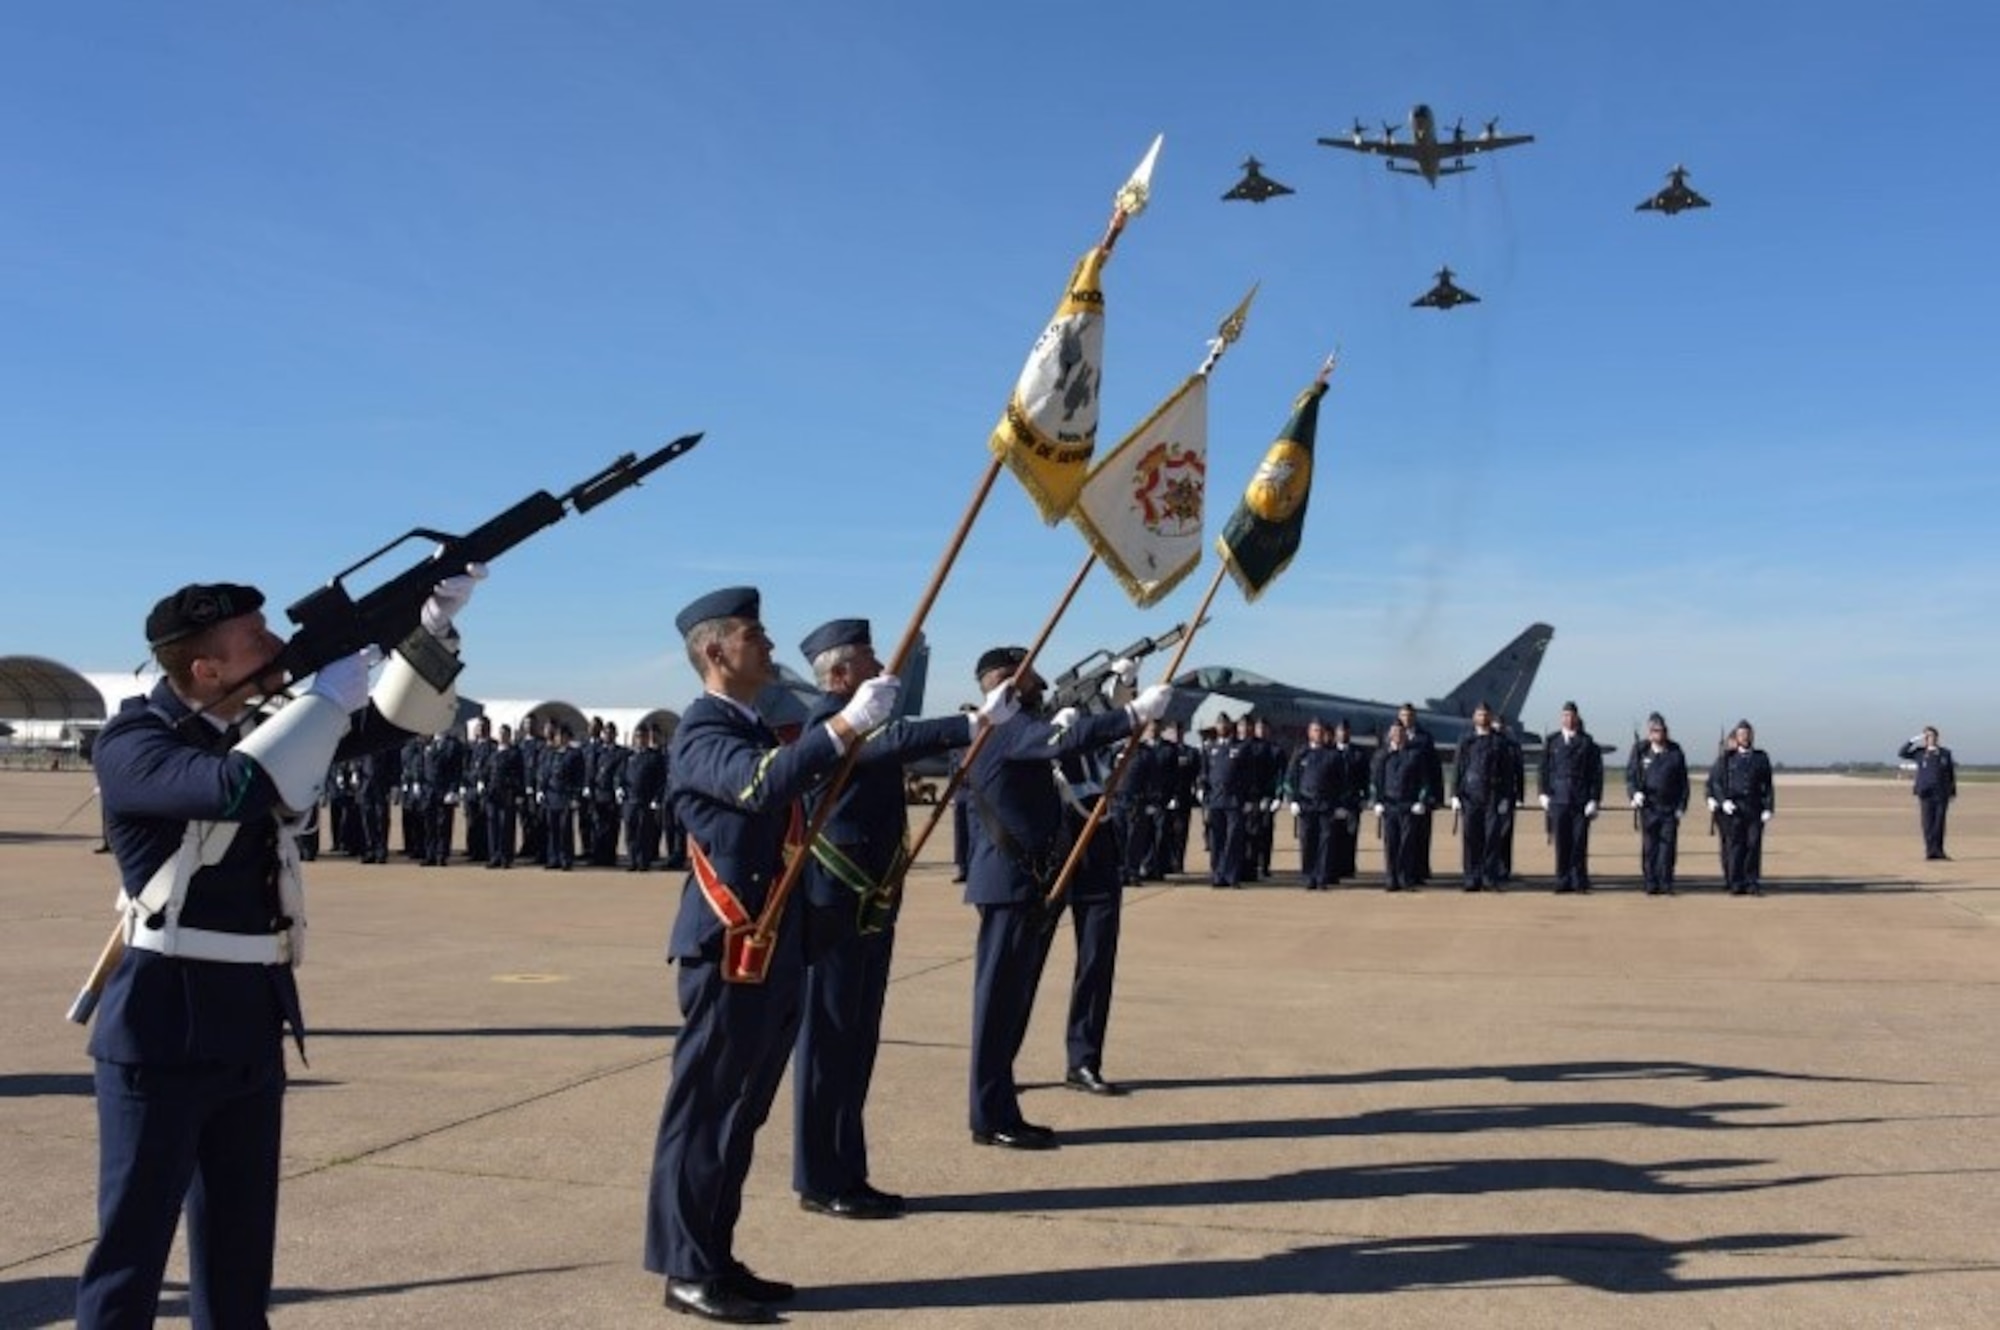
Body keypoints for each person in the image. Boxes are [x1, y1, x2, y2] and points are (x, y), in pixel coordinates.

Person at [76, 571, 480, 1327]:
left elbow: (400, 724)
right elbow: (234, 789)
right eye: (255, 639)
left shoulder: (263, 720)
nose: (276, 647)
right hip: (162, 1026)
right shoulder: (133, 742)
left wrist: (429, 633)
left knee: (238, 1254)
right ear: (206, 668)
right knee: (130, 1256)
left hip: (250, 1020)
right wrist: (325, 700)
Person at [642, 587, 900, 1324]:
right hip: (726, 951)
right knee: (705, 1115)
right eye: (754, 634)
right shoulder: (703, 731)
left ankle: (716, 1257)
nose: (768, 642)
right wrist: (844, 723)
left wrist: (850, 735)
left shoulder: (751, 726)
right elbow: (759, 789)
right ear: (716, 651)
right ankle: (686, 1268)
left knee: (738, 1116)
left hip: (767, 948)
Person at [790, 618, 997, 1221]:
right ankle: (819, 1177)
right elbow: (887, 742)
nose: (883, 667)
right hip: (835, 905)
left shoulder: (859, 720)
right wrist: (970, 721)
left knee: (857, 1043)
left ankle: (847, 1170)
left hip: (869, 902)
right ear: (840, 672)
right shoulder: (827, 722)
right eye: (869, 658)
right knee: (829, 1044)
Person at [960, 645, 1172, 1149]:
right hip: (1032, 866)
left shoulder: (1039, 720)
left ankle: (1075, 1062)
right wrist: (1131, 711)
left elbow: (1088, 743)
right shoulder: (1009, 726)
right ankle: (993, 1095)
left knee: (1087, 961)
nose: (1042, 687)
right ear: (1009, 682)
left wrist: (1120, 696)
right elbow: (1061, 738)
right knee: (1008, 989)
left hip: (1081, 843)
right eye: (1032, 679)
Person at [1539, 701, 1603, 894]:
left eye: (1571, 715)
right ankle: (1562, 879)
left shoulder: (1587, 742)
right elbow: (1544, 770)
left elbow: (1596, 774)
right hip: (1558, 799)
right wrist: (1542, 793)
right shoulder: (1552, 741)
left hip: (1580, 799)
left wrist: (1594, 799)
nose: (1568, 719)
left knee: (1579, 842)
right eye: (1565, 715)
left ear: (1577, 718)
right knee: (1562, 842)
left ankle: (1579, 880)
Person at [1707, 719, 1776, 896]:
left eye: (1747, 734)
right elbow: (1715, 783)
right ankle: (1736, 882)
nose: (1744, 737)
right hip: (1735, 809)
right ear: (1736, 737)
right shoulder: (1727, 759)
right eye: (1741, 734)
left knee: (1753, 845)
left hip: (1754, 808)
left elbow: (1767, 784)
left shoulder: (1761, 757)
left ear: (1751, 736)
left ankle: (1751, 881)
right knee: (1736, 846)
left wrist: (1768, 807)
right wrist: (1723, 801)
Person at [1626, 713, 1690, 895]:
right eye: (1654, 731)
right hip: (1649, 807)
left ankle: (1666, 882)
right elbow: (1631, 776)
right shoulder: (1641, 751)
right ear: (1649, 732)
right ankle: (1650, 882)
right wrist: (1634, 794)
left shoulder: (1675, 751)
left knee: (1668, 848)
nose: (1657, 734)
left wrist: (1681, 806)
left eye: (1660, 730)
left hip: (1669, 807)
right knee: (1650, 847)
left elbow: (1683, 782)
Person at [1449, 703, 1508, 891]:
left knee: (1492, 837)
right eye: (1479, 714)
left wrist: (1506, 797)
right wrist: (1455, 794)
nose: (1482, 718)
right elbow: (1458, 767)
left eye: (1485, 715)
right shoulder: (1466, 740)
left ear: (1490, 717)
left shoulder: (1499, 741)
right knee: (1471, 838)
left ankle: (1489, 877)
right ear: (1474, 717)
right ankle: (1471, 877)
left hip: (1493, 794)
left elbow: (1506, 771)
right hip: (1470, 794)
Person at [1370, 721, 1429, 890]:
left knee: (1407, 843)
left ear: (1405, 735)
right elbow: (1375, 781)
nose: (1397, 735)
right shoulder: (1382, 755)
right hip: (1389, 805)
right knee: (1391, 844)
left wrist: (1421, 801)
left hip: (1408, 805)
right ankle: (1391, 877)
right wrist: (1377, 801)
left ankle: (1405, 877)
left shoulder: (1414, 755)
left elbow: (1424, 782)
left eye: (1400, 732)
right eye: (1394, 732)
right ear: (1389, 735)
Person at [1287, 717, 1339, 889]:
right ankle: (1308, 876)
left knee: (1325, 841)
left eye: (1321, 730)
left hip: (1326, 804)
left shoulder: (1333, 755)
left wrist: (1340, 804)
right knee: (1307, 841)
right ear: (1309, 733)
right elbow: (1291, 779)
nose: (1319, 733)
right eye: (1315, 730)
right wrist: (1293, 800)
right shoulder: (1300, 753)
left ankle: (1322, 876)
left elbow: (1341, 782)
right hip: (1306, 804)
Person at [1898, 726, 1957, 860]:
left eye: (1933, 736)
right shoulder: (1919, 752)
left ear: (1937, 737)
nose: (1931, 738)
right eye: (1928, 736)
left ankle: (1939, 851)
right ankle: (1930, 851)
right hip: (1925, 792)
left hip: (1942, 792)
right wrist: (1913, 740)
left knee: (1939, 822)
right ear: (1925, 738)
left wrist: (1952, 791)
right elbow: (1902, 753)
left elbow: (1951, 773)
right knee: (1927, 822)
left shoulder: (1945, 753)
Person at [621, 723, 667, 872]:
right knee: (630, 833)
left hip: (646, 800)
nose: (640, 740)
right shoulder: (629, 756)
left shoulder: (654, 757)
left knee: (644, 833)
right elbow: (620, 775)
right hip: (630, 800)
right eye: (638, 737)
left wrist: (657, 798)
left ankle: (643, 861)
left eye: (643, 737)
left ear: (648, 738)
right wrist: (619, 788)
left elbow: (661, 780)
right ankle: (632, 860)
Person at [483, 722, 524, 869]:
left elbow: (520, 774)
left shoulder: (515, 753)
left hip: (508, 793)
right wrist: (483, 783)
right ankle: (494, 856)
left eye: (505, 734)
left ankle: (506, 857)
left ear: (509, 736)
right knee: (492, 826)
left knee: (506, 826)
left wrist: (519, 793)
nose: (502, 736)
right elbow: (487, 771)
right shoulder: (493, 753)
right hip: (492, 794)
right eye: (500, 733)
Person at [1491, 716, 1525, 885]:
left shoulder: (1512, 746)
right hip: (1486, 795)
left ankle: (1503, 870)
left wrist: (1519, 795)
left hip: (1506, 794)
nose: (1498, 730)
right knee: (1487, 834)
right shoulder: (1485, 744)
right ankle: (1487, 868)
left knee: (1505, 833)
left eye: (1500, 727)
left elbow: (1519, 771)